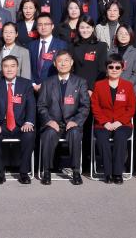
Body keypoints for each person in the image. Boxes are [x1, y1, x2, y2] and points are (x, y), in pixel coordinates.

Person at [36, 50, 90, 185]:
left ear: (71, 63)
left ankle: (76, 171)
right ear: (55, 64)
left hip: (72, 122)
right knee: (49, 134)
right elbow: (41, 105)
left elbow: (85, 106)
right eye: (60, 61)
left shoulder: (80, 82)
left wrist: (76, 121)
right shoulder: (47, 82)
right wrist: (49, 120)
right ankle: (47, 171)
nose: (63, 64)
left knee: (75, 133)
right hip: (53, 123)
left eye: (66, 60)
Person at [0, 56, 36, 185]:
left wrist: (29, 122)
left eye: (12, 66)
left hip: (21, 124)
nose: (9, 69)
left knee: (30, 135)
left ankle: (24, 173)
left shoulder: (26, 84)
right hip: (1, 124)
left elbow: (31, 105)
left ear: (17, 68)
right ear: (2, 68)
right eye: (6, 66)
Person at [91, 54, 136, 184]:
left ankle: (117, 173)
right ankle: (107, 172)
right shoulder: (98, 85)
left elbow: (131, 108)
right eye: (111, 67)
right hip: (102, 124)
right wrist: (104, 122)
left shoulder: (128, 86)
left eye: (117, 67)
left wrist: (119, 122)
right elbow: (95, 106)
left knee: (120, 137)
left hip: (123, 124)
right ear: (106, 69)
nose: (114, 70)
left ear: (122, 68)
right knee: (102, 139)